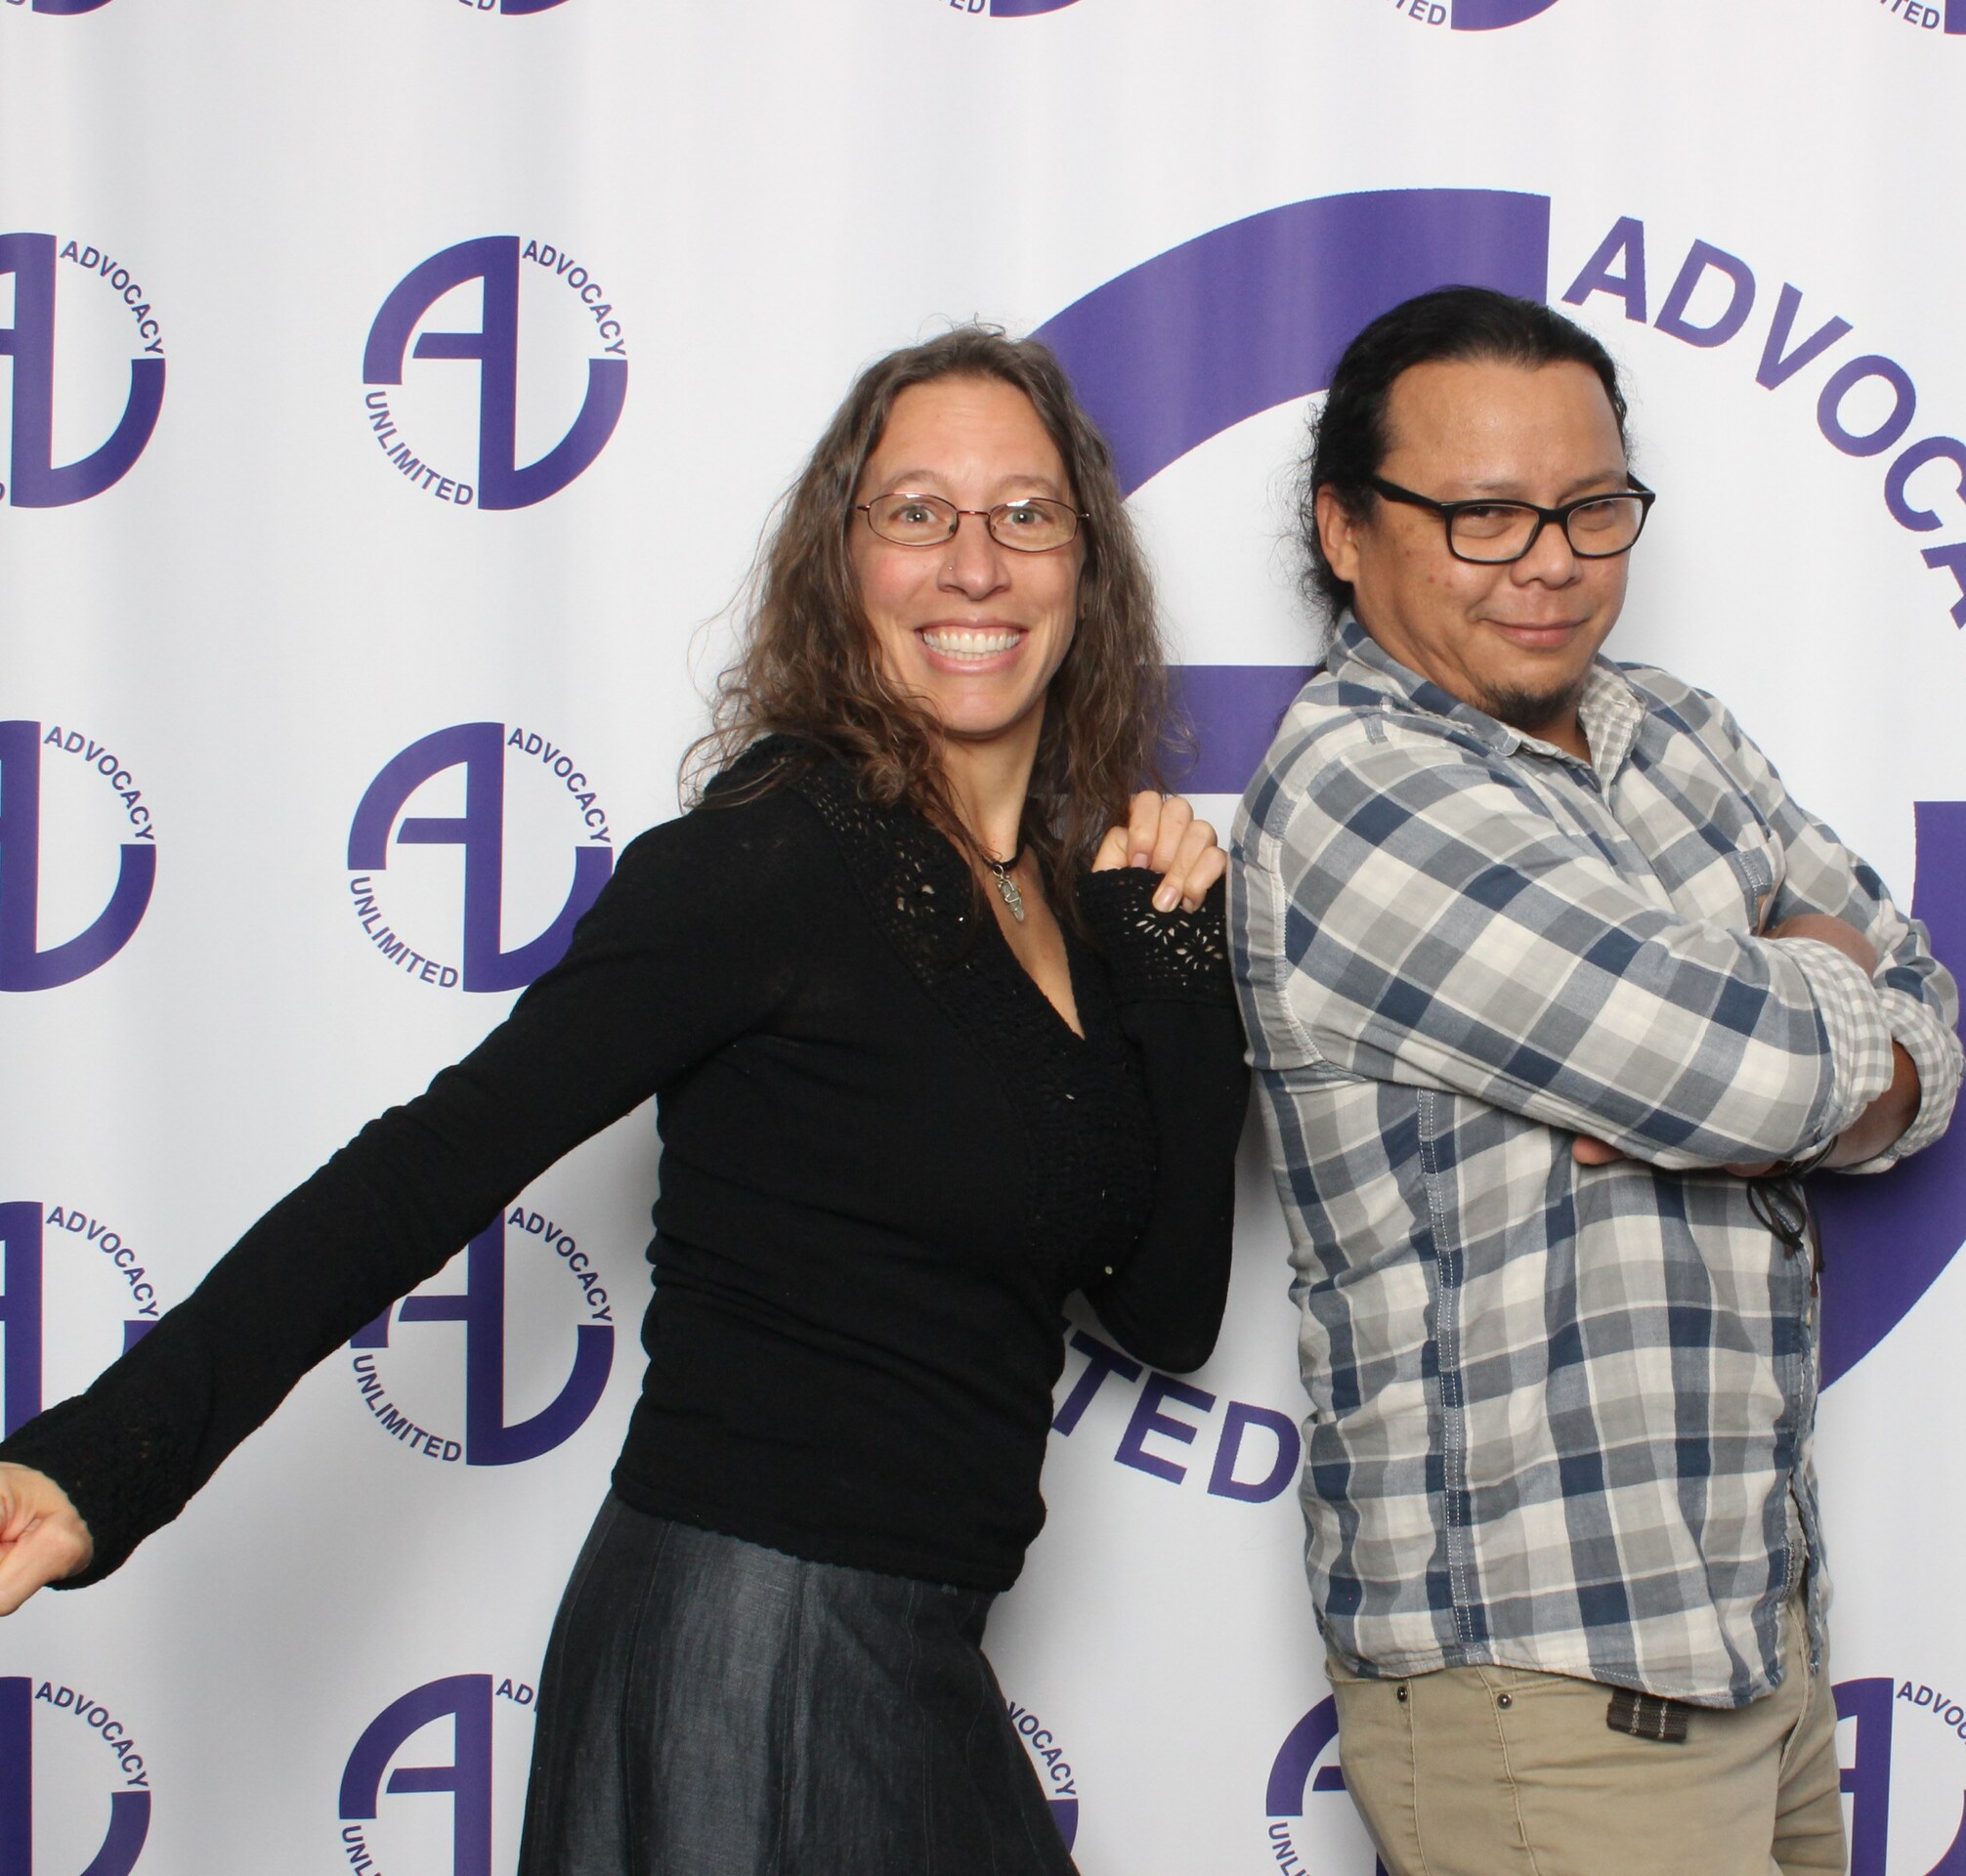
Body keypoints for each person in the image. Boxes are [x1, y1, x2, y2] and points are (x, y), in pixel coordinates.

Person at [0, 327, 1245, 1876]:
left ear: (1086, 565)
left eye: (1026, 513)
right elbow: (430, 1165)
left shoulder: (1061, 904)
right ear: (842, 559)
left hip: (914, 1657)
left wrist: (1172, 974)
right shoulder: (769, 860)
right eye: (918, 511)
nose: (975, 563)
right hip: (744, 1654)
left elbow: (1168, 1309)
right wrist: (104, 1462)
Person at [1228, 287, 1966, 1876]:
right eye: (1483, 517)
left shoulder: (1677, 730)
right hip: (1545, 1680)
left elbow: (1931, 1026)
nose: (1552, 560)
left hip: (1756, 1629)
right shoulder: (1359, 783)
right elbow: (1749, 1071)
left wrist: (1762, 1052)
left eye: (1591, 507)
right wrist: (1794, 1023)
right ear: (1346, 530)